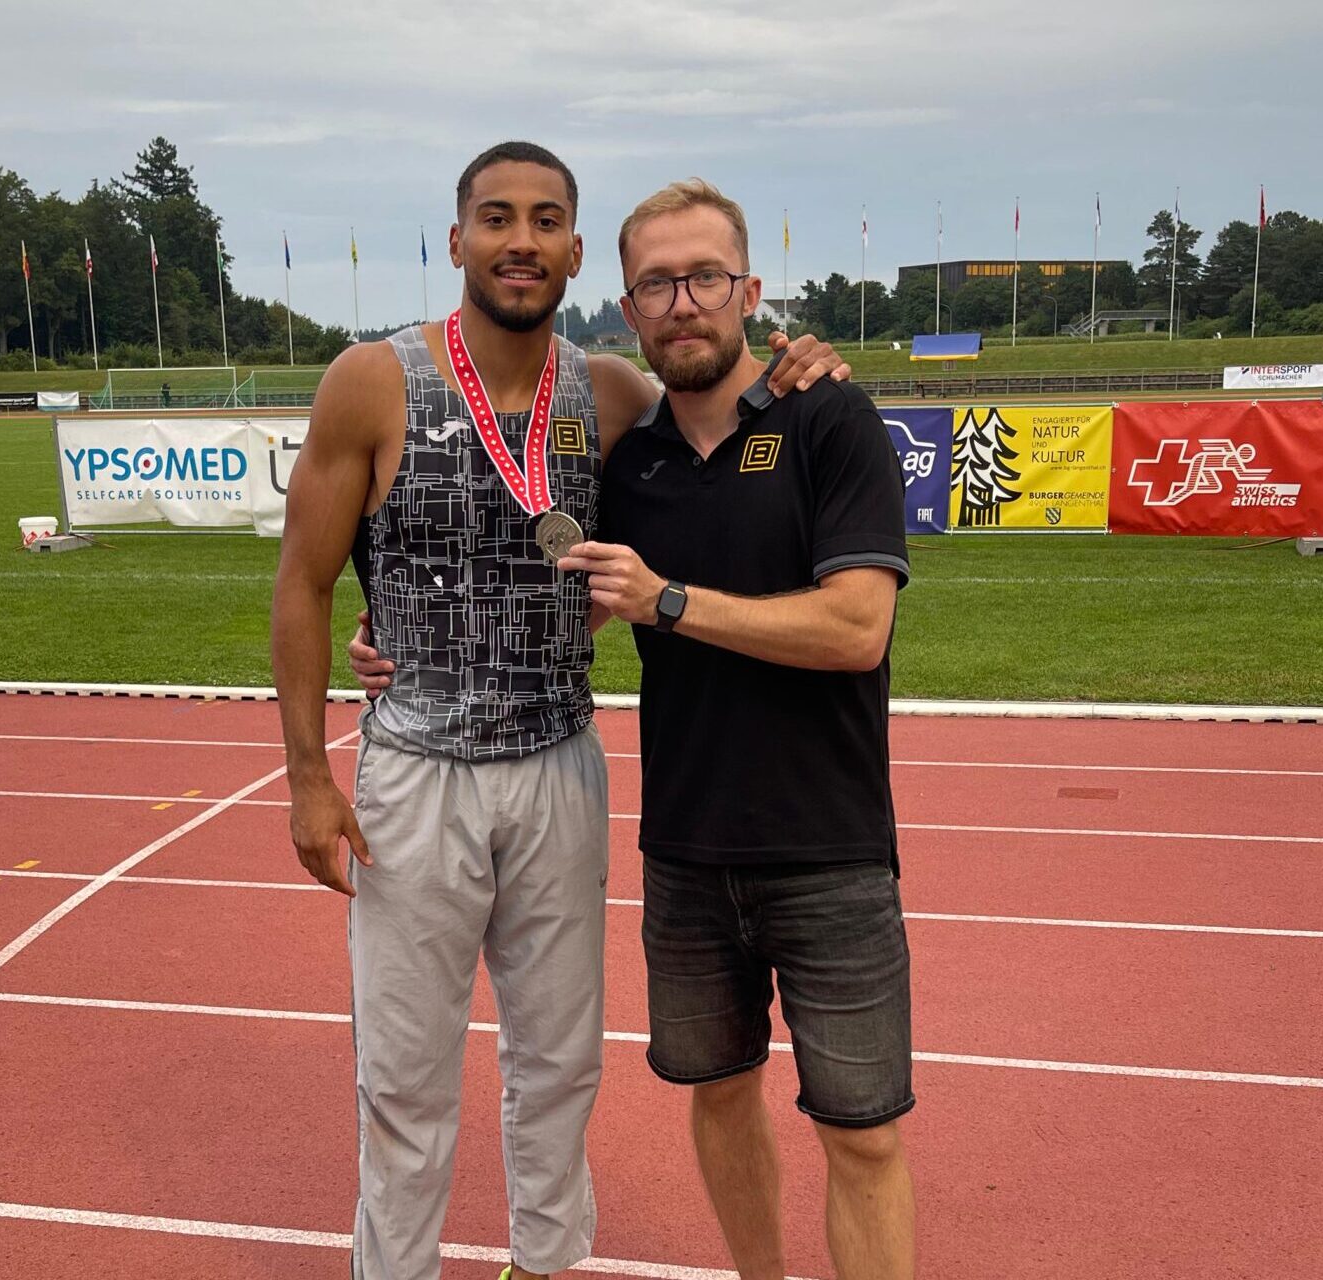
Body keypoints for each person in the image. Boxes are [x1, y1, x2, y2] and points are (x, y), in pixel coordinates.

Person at [271, 142, 848, 1280]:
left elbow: (729, 429)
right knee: (404, 1069)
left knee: (561, 1058)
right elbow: (303, 579)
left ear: (578, 252)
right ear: (457, 241)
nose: (520, 240)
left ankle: (543, 1260)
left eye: (545, 220)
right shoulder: (373, 379)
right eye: (496, 217)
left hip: (556, 761)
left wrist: (811, 365)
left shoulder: (615, 392)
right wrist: (306, 774)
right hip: (413, 775)